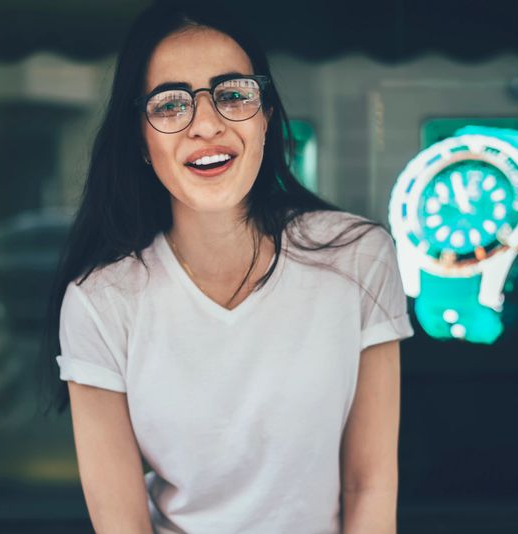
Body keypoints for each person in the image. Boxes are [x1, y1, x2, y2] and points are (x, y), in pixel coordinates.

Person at [40, 2, 414, 532]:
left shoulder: (358, 259)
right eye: (170, 106)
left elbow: (369, 484)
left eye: (233, 94)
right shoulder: (101, 302)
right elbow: (120, 522)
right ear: (142, 143)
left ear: (265, 118)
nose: (206, 125)